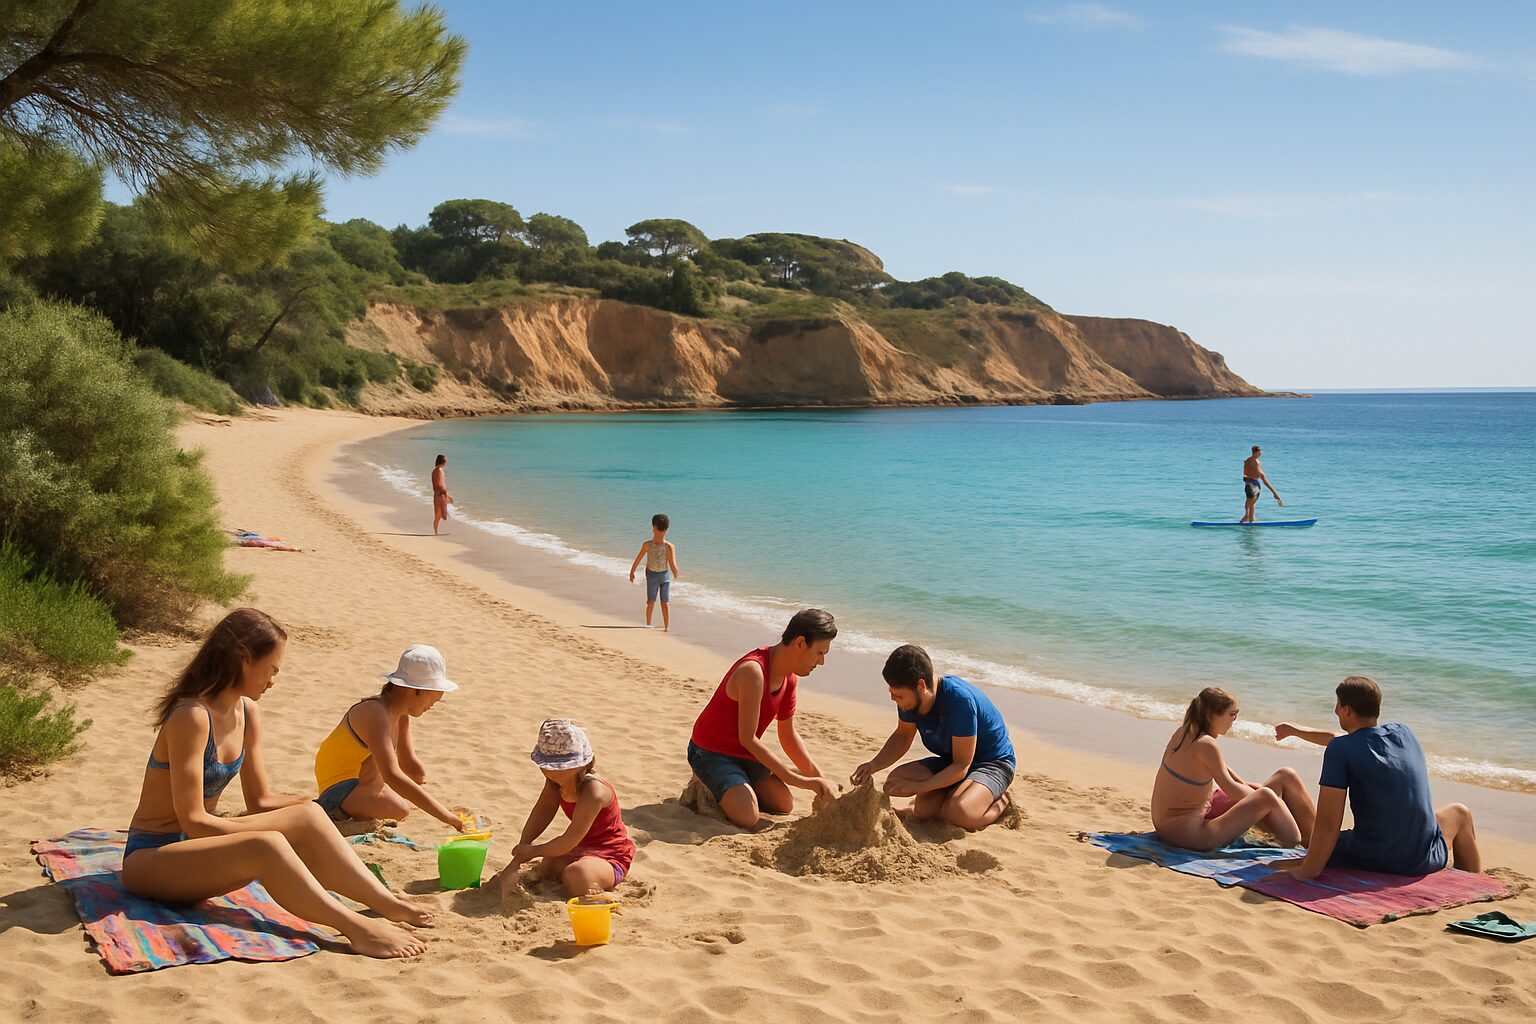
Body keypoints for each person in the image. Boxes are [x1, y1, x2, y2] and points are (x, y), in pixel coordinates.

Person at [121, 608, 430, 959]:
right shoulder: (191, 717)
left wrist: (306, 811)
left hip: (196, 847)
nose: (273, 680)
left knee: (309, 814)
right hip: (153, 858)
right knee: (266, 845)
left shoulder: (246, 712)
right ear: (243, 661)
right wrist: (266, 835)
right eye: (272, 669)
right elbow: (192, 820)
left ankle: (384, 901)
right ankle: (356, 928)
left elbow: (260, 800)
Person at [1272, 675, 1480, 879]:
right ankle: (1474, 884)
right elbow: (1346, 739)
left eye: (1337, 705)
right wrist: (1296, 731)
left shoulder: (1340, 750)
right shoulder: (1404, 732)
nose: (1335, 710)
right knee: (1460, 813)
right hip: (1424, 856)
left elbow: (1328, 824)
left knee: (1319, 841)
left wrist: (1308, 870)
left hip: (1375, 857)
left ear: (1346, 710)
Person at [686, 608, 841, 828]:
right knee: (747, 817)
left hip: (745, 755)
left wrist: (819, 777)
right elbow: (748, 738)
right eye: (820, 653)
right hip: (710, 751)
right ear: (800, 643)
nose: (821, 662)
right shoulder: (753, 671)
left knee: (784, 805)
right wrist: (797, 780)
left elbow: (788, 735)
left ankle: (740, 784)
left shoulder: (789, 678)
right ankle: (706, 786)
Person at [850, 645, 1017, 831]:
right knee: (896, 782)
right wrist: (873, 765)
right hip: (950, 761)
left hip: (991, 763)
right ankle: (956, 795)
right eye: (892, 693)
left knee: (958, 812)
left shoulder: (959, 701)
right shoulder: (910, 701)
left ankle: (1001, 801)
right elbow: (903, 736)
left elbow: (961, 765)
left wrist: (918, 787)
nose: (894, 700)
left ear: (921, 685)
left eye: (898, 695)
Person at [313, 643, 471, 832]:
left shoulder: (401, 714)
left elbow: (408, 764)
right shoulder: (375, 712)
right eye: (433, 696)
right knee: (400, 810)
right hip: (340, 789)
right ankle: (335, 810)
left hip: (366, 782)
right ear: (415, 690)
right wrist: (447, 817)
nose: (435, 702)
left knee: (411, 785)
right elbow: (391, 775)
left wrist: (418, 775)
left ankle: (369, 802)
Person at [1150, 687, 1313, 850]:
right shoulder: (1206, 744)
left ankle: (1313, 838)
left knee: (1285, 775)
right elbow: (1232, 790)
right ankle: (1295, 846)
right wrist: (1268, 799)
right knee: (1267, 796)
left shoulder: (1186, 731)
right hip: (1190, 833)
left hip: (1175, 823)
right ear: (1211, 715)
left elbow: (1222, 769)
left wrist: (1249, 788)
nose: (1234, 720)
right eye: (1231, 714)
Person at [491, 719, 636, 900]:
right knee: (548, 865)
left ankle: (602, 896)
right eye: (545, 766)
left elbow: (569, 839)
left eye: (558, 768)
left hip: (609, 853)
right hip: (581, 848)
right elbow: (542, 812)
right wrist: (522, 851)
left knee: (577, 875)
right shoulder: (555, 782)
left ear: (579, 765)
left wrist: (533, 851)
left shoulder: (594, 791)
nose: (549, 772)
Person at [628, 513, 681, 630]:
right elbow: (639, 558)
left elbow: (672, 562)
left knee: (663, 602)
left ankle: (665, 627)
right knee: (652, 601)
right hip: (653, 575)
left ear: (653, 527)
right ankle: (649, 624)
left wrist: (675, 572)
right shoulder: (650, 545)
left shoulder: (667, 546)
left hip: (664, 576)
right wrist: (632, 571)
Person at [1240, 444, 1283, 523]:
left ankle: (1251, 523)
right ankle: (1247, 517)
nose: (1261, 453)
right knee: (1250, 503)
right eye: (1260, 452)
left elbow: (1247, 473)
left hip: (1248, 483)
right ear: (1256, 452)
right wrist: (1275, 493)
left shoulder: (1248, 460)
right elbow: (1262, 477)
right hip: (1253, 484)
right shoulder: (1256, 462)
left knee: (1251, 504)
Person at [431, 454, 453, 535]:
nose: (446, 463)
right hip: (440, 494)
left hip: (439, 494)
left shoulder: (437, 470)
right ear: (443, 461)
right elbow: (441, 485)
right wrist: (446, 494)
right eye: (446, 461)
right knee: (438, 515)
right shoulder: (439, 471)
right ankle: (436, 533)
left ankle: (436, 532)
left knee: (439, 514)